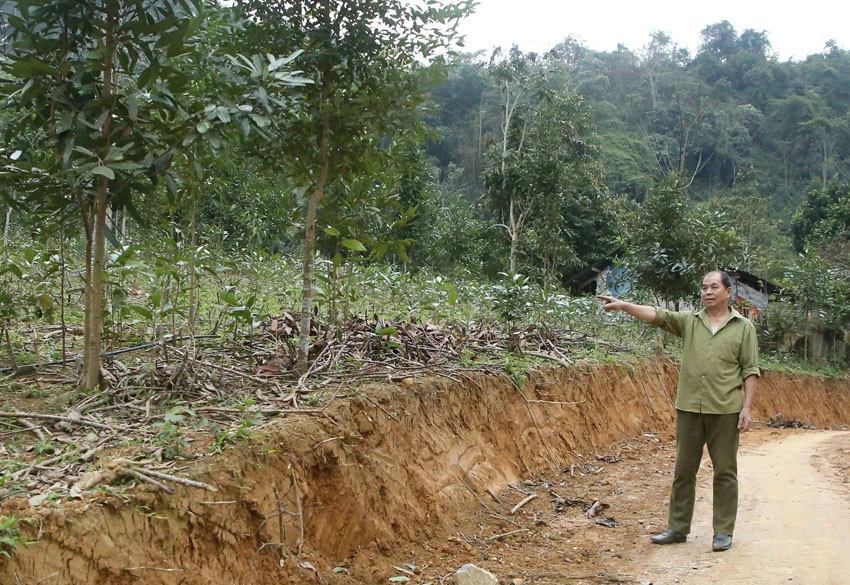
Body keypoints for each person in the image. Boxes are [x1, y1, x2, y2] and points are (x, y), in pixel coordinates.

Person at [597, 270, 759, 552]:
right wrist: (624, 305)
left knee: (725, 472)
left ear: (728, 292)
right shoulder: (690, 322)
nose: (707, 292)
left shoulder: (743, 327)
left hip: (725, 410)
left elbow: (751, 370)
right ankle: (678, 527)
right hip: (689, 408)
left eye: (713, 287)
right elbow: (656, 314)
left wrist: (746, 408)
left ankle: (723, 531)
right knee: (684, 470)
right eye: (704, 287)